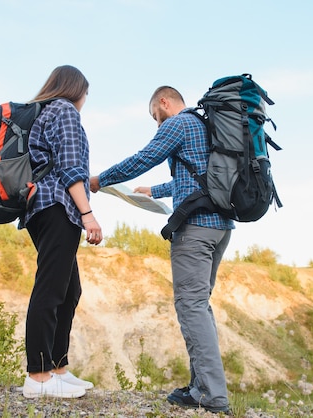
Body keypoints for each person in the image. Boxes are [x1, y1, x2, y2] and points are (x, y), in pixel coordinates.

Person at [90, 86, 234, 413]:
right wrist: (154, 190)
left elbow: (144, 157)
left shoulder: (177, 123)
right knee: (200, 305)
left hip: (195, 229)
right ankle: (201, 388)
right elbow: (199, 179)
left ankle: (213, 395)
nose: (158, 123)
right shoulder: (206, 125)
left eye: (156, 116)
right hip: (220, 227)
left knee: (191, 306)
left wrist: (101, 180)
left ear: (164, 103)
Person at [21, 65, 102, 398]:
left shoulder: (46, 112)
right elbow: (70, 169)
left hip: (45, 207)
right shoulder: (65, 111)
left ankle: (57, 367)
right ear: (76, 89)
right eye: (86, 92)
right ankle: (38, 377)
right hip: (57, 207)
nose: (86, 99)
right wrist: (88, 214)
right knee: (51, 289)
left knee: (69, 290)